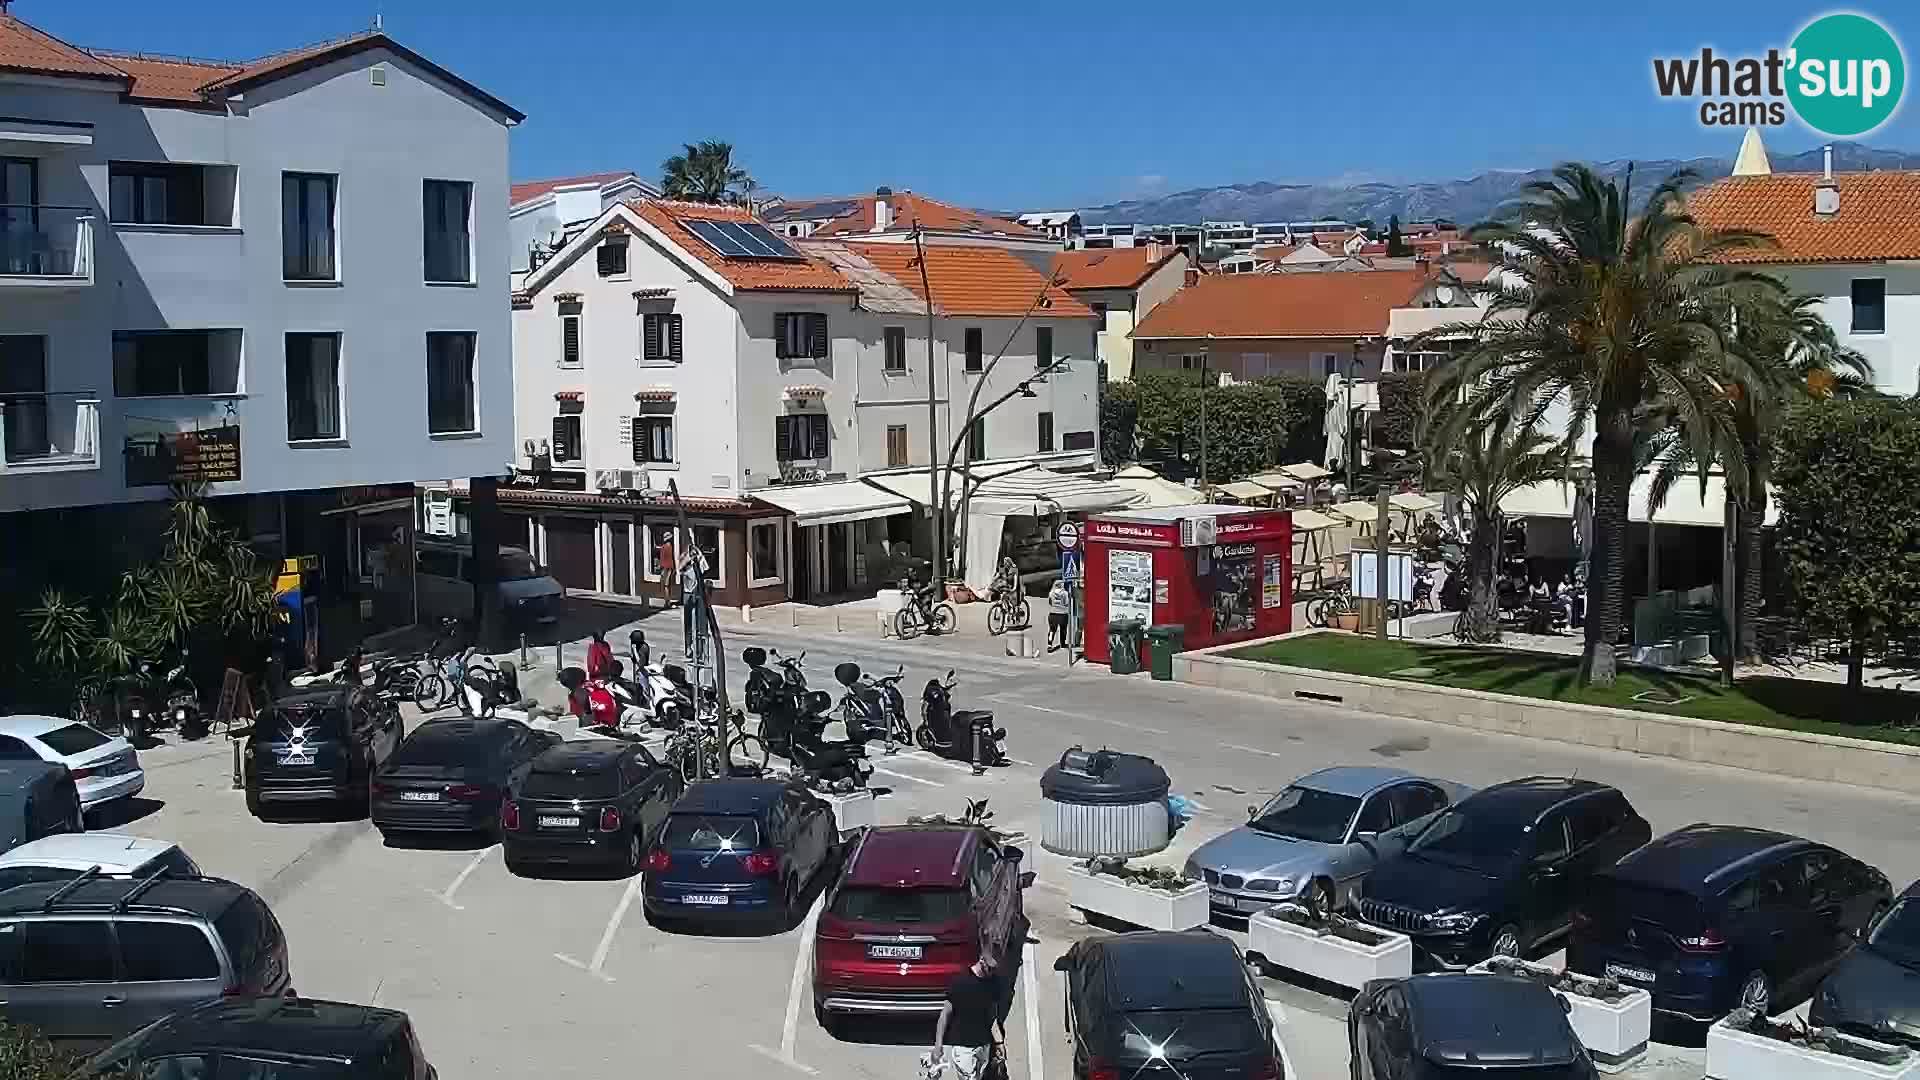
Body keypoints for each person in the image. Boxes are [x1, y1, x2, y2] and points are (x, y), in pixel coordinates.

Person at [930, 954, 1002, 1080]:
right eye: (990, 968)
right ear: (981, 961)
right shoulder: (960, 981)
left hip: (983, 1045)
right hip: (963, 1048)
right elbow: (944, 1015)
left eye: (995, 969)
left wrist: (999, 1043)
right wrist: (938, 1045)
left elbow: (992, 1016)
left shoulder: (993, 982)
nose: (992, 972)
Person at [1046, 578, 1071, 651]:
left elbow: (1050, 602)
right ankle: (1062, 644)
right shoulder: (1065, 593)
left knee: (1051, 630)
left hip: (1052, 614)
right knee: (1063, 629)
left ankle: (1049, 644)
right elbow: (1066, 603)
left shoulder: (1051, 593)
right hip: (1063, 614)